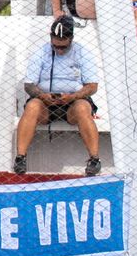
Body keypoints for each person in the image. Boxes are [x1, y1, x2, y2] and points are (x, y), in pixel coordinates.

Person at [14, 15, 101, 176]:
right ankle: (20, 158)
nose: (59, 50)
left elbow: (92, 86)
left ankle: (94, 159)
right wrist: (42, 95)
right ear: (51, 39)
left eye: (63, 47)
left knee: (83, 108)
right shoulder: (41, 52)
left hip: (73, 102)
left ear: (71, 39)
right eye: (55, 46)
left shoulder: (83, 53)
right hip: (45, 102)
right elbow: (29, 85)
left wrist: (72, 96)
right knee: (32, 106)